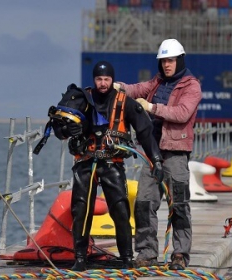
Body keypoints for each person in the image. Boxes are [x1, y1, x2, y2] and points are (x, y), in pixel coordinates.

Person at [52, 61, 165, 271]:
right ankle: (80, 259)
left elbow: (145, 132)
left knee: (120, 210)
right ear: (93, 80)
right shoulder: (82, 100)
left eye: (106, 79)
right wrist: (70, 133)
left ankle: (127, 258)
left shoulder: (126, 102)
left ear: (112, 80)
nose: (103, 83)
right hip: (86, 162)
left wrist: (156, 160)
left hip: (112, 162)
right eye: (99, 79)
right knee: (81, 209)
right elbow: (60, 129)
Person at [116, 39, 202, 270]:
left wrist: (152, 108)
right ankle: (147, 253)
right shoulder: (157, 82)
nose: (166, 65)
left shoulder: (192, 86)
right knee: (144, 202)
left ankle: (180, 254)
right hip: (151, 152)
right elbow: (138, 89)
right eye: (163, 61)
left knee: (179, 205)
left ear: (180, 60)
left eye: (170, 60)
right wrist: (117, 87)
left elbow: (182, 113)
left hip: (175, 153)